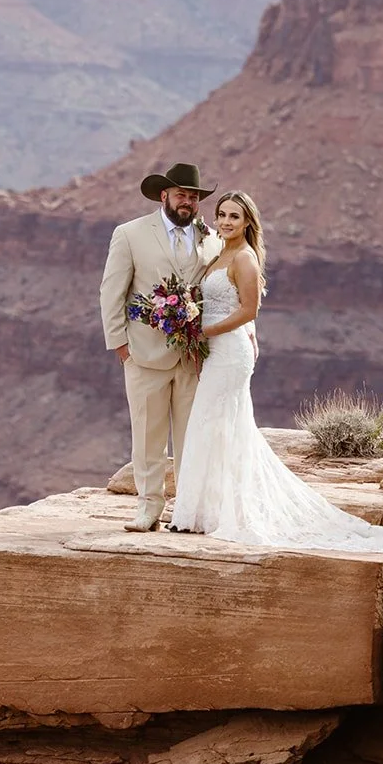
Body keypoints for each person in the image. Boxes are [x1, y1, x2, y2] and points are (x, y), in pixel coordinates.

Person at [168, 190, 383, 555]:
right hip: (215, 351)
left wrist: (206, 331)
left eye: (234, 216)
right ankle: (202, 512)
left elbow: (249, 311)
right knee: (214, 425)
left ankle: (216, 514)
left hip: (229, 352)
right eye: (221, 214)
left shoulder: (244, 258)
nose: (225, 221)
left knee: (216, 423)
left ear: (248, 222)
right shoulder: (219, 253)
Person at [99, 162, 217, 532]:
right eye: (182, 195)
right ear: (164, 195)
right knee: (148, 435)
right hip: (143, 353)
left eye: (194, 197)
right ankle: (148, 507)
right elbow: (112, 290)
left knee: (190, 438)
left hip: (192, 357)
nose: (188, 202)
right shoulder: (131, 233)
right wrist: (120, 344)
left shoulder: (210, 239)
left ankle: (186, 510)